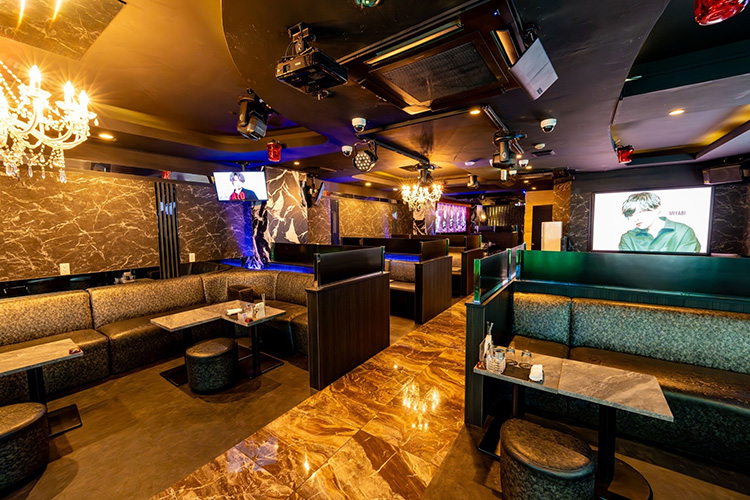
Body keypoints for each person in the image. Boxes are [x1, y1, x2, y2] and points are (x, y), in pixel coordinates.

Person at [618, 192, 700, 253]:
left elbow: (685, 265)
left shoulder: (683, 232)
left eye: (640, 212)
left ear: (657, 209)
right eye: (631, 215)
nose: (635, 219)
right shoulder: (627, 238)